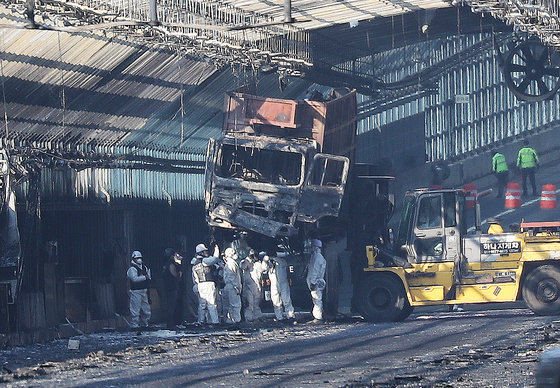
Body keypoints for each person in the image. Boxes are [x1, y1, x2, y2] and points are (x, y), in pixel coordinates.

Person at [191, 243, 220, 324]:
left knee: (202, 304)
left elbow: (194, 277)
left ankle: (200, 321)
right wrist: (217, 250)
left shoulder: (194, 262)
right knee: (212, 304)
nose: (206, 252)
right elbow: (215, 259)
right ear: (201, 252)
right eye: (205, 251)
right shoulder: (204, 261)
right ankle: (215, 322)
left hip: (200, 284)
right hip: (208, 283)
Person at [264, 248, 295, 321]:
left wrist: (275, 259)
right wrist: (265, 261)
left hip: (283, 283)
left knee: (286, 300)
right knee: (276, 301)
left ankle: (290, 316)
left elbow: (284, 264)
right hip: (274, 284)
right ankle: (279, 317)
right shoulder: (268, 263)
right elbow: (264, 268)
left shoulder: (281, 261)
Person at [240, 250, 267, 322]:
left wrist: (264, 260)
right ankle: (248, 318)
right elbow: (242, 266)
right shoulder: (246, 262)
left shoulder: (258, 264)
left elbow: (264, 269)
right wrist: (248, 259)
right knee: (249, 303)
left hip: (257, 285)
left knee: (256, 303)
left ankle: (257, 317)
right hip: (248, 286)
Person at [127, 250, 151, 329]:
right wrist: (145, 277)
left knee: (146, 308)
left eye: (140, 258)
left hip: (144, 290)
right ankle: (134, 324)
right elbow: (134, 279)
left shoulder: (144, 267)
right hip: (136, 291)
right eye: (137, 258)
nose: (139, 259)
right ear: (133, 259)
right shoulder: (132, 269)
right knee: (135, 309)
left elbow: (149, 276)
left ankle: (145, 323)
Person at [162, 248, 184, 329]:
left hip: (168, 287)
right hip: (172, 288)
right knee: (172, 306)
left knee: (171, 305)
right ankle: (171, 324)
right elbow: (176, 276)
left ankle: (172, 323)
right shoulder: (171, 264)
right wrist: (179, 267)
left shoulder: (165, 264)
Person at [307, 239, 327, 322]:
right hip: (317, 281)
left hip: (316, 281)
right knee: (317, 298)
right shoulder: (317, 257)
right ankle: (318, 315)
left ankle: (318, 317)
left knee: (317, 298)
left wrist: (313, 282)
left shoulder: (317, 257)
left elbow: (315, 270)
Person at [222, 247, 242, 323]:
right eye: (234, 253)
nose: (236, 255)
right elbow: (231, 276)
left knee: (230, 305)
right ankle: (236, 320)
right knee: (236, 305)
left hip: (229, 286)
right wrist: (236, 287)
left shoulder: (229, 263)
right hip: (232, 287)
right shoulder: (231, 264)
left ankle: (230, 320)